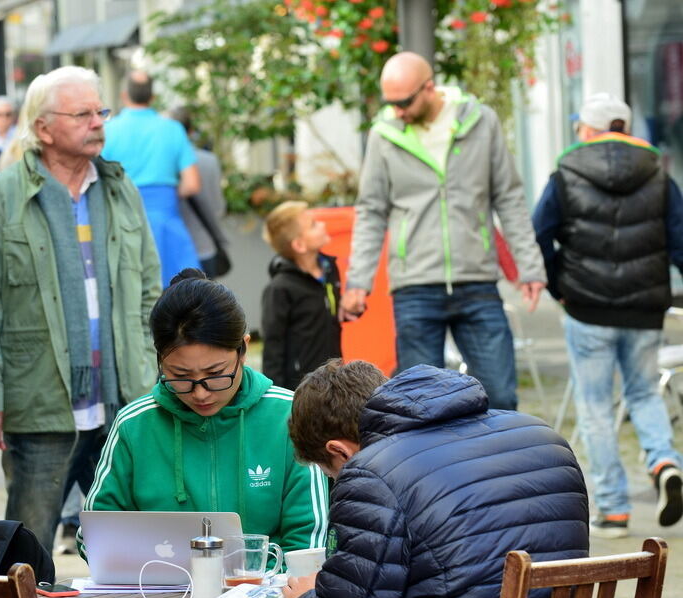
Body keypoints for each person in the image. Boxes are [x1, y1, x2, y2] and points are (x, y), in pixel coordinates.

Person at [0, 66, 162, 552]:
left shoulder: (119, 189)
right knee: (27, 549)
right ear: (44, 129)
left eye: (101, 111)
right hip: (41, 403)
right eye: (83, 113)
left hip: (121, 401)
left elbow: (151, 291)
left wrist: (154, 373)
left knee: (138, 546)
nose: (98, 122)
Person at [283, 360, 589, 598]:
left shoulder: (372, 474)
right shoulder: (543, 435)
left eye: (332, 474)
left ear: (340, 451)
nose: (338, 481)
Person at [339, 51, 545, 410]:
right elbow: (371, 210)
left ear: (429, 88)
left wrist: (530, 266)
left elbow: (509, 198)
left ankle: (495, 467)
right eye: (391, 103)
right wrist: (358, 281)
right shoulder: (384, 135)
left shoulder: (482, 122)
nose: (397, 111)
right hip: (415, 286)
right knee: (421, 406)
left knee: (500, 398)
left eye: (404, 102)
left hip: (477, 280)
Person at [81, 269, 329, 556]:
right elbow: (93, 535)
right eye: (180, 376)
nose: (200, 393)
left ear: (243, 350)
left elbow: (310, 541)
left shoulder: (289, 416)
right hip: (158, 594)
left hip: (264, 594)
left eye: (215, 374)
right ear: (160, 360)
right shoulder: (134, 425)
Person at [532, 92, 683, 538]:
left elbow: (539, 234)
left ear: (592, 130)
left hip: (587, 307)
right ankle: (664, 462)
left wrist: (559, 287)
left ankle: (614, 510)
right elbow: (679, 241)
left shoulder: (565, 173)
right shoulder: (659, 173)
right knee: (643, 393)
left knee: (595, 407)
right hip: (645, 308)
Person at [102, 71, 202, 287]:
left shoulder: (108, 130)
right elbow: (192, 184)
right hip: (166, 224)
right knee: (178, 299)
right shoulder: (173, 129)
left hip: (123, 224)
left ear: (124, 95)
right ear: (152, 97)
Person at [261, 201, 342, 390]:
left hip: (334, 378)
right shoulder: (280, 288)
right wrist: (275, 394)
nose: (322, 225)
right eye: (313, 225)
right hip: (301, 386)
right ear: (299, 244)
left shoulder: (329, 271)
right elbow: (273, 347)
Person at [168, 106, 230, 278]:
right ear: (191, 131)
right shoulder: (209, 161)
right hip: (204, 247)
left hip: (170, 252)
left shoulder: (158, 163)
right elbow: (219, 207)